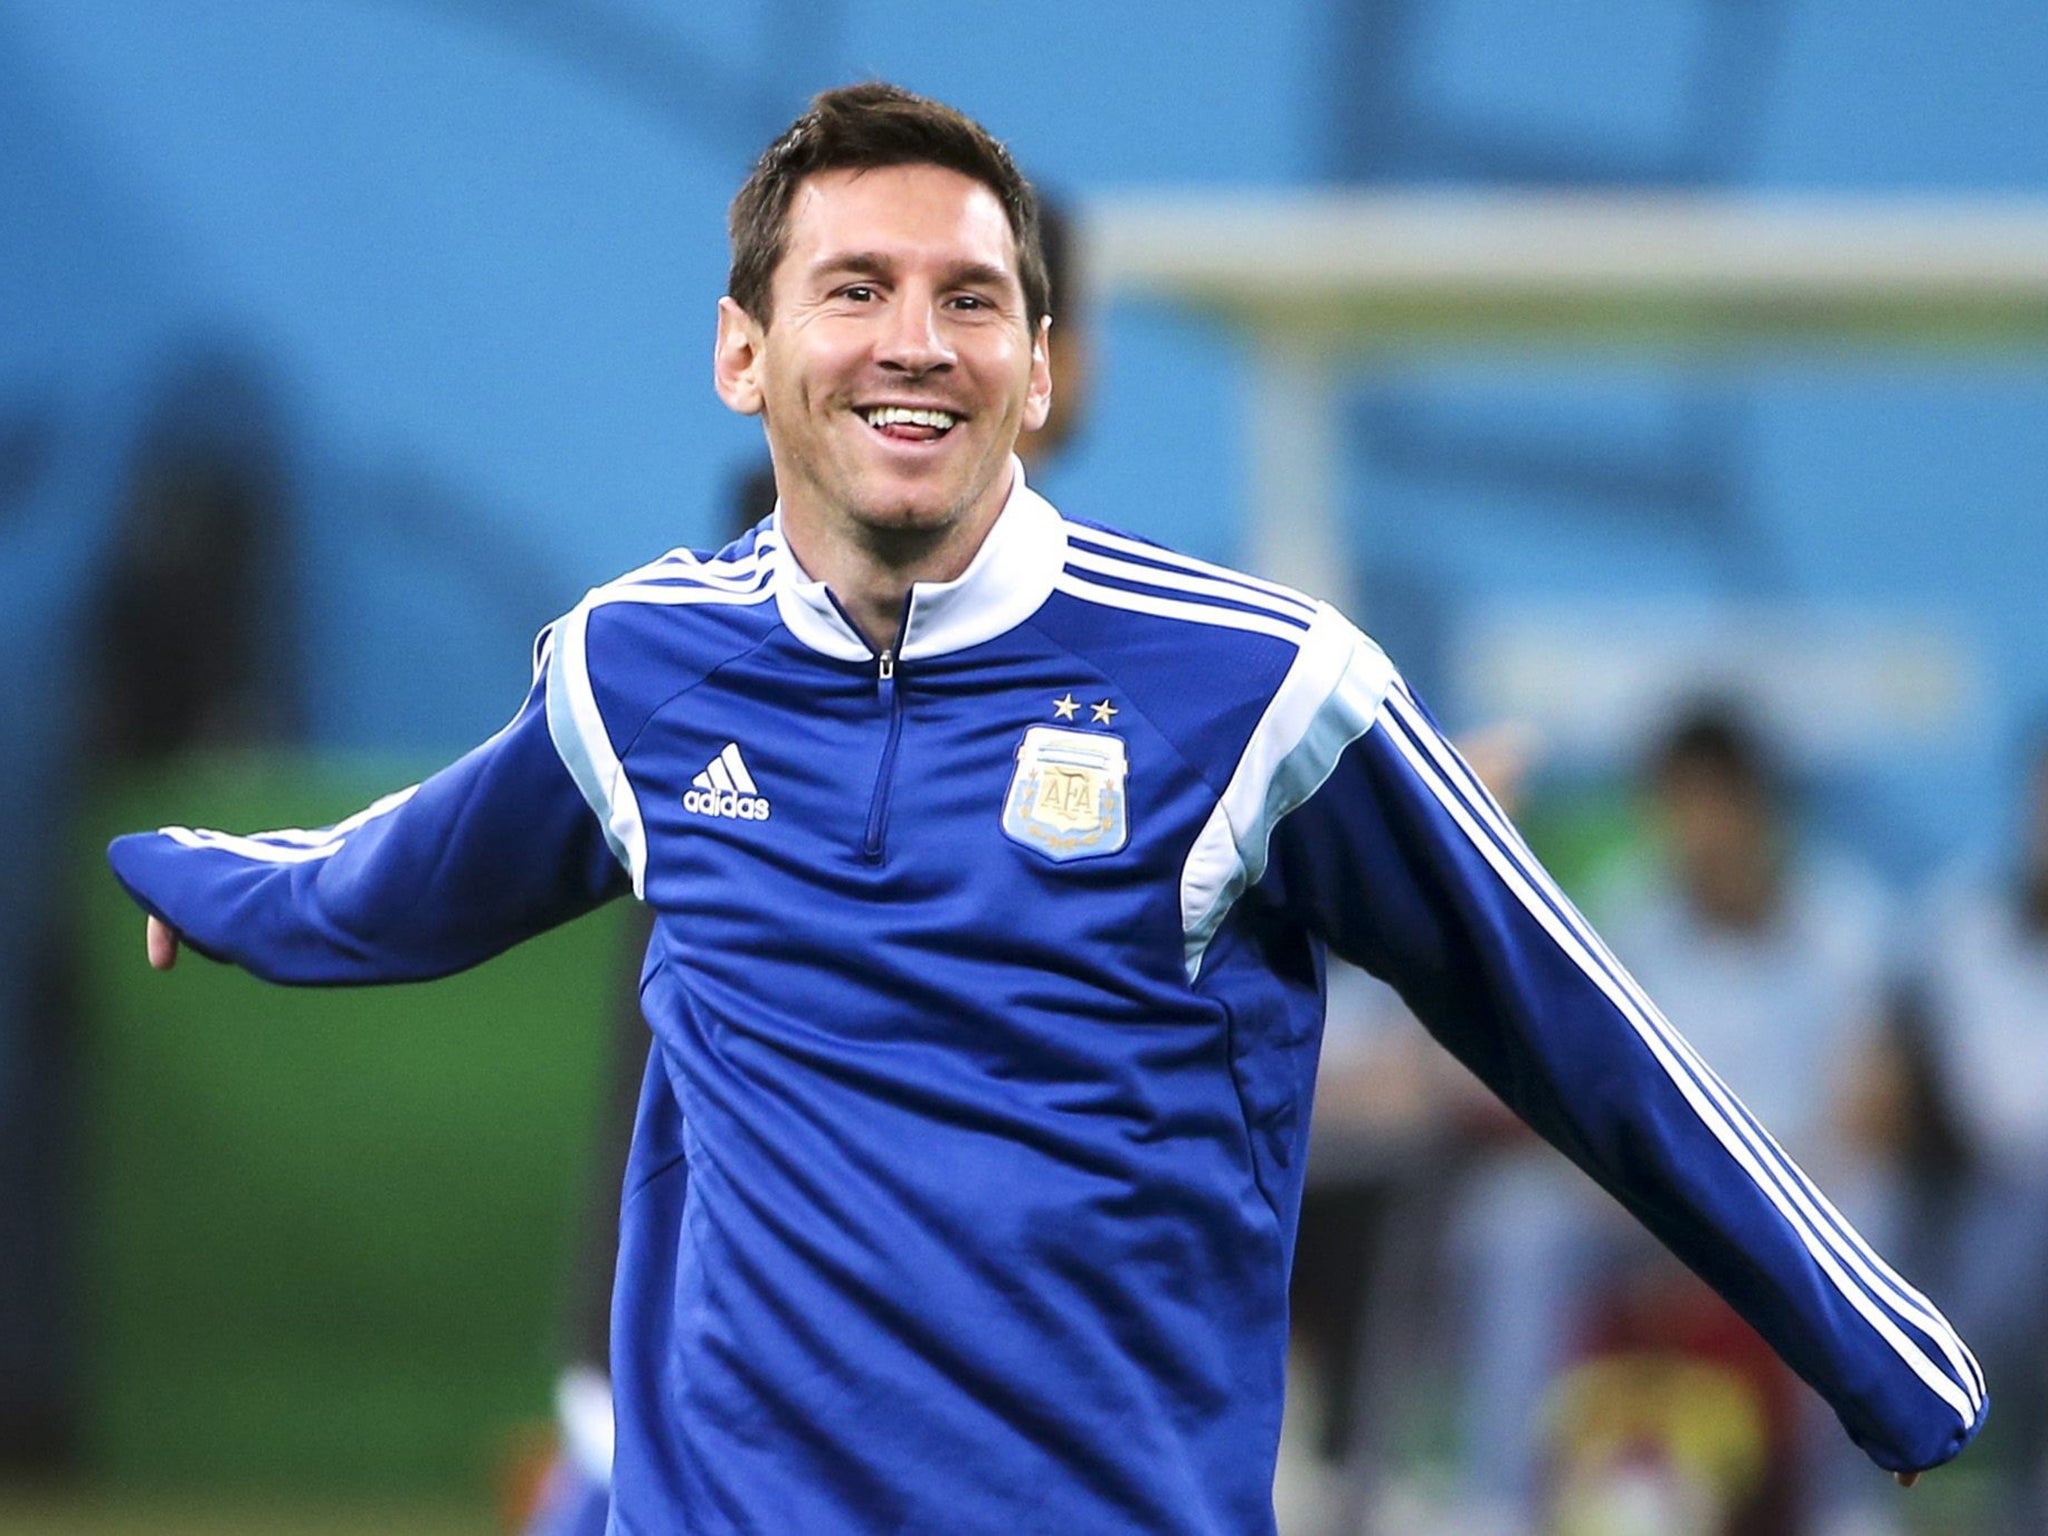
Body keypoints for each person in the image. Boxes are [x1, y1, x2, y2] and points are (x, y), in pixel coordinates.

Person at [109, 83, 1983, 1533]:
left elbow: (1578, 1035)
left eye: (971, 299)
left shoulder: (1264, 692)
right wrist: (204, 878)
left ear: (1038, 369)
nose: (915, 340)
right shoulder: (633, 670)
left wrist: (1870, 1349)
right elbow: (405, 877)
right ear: (742, 354)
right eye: (856, 288)